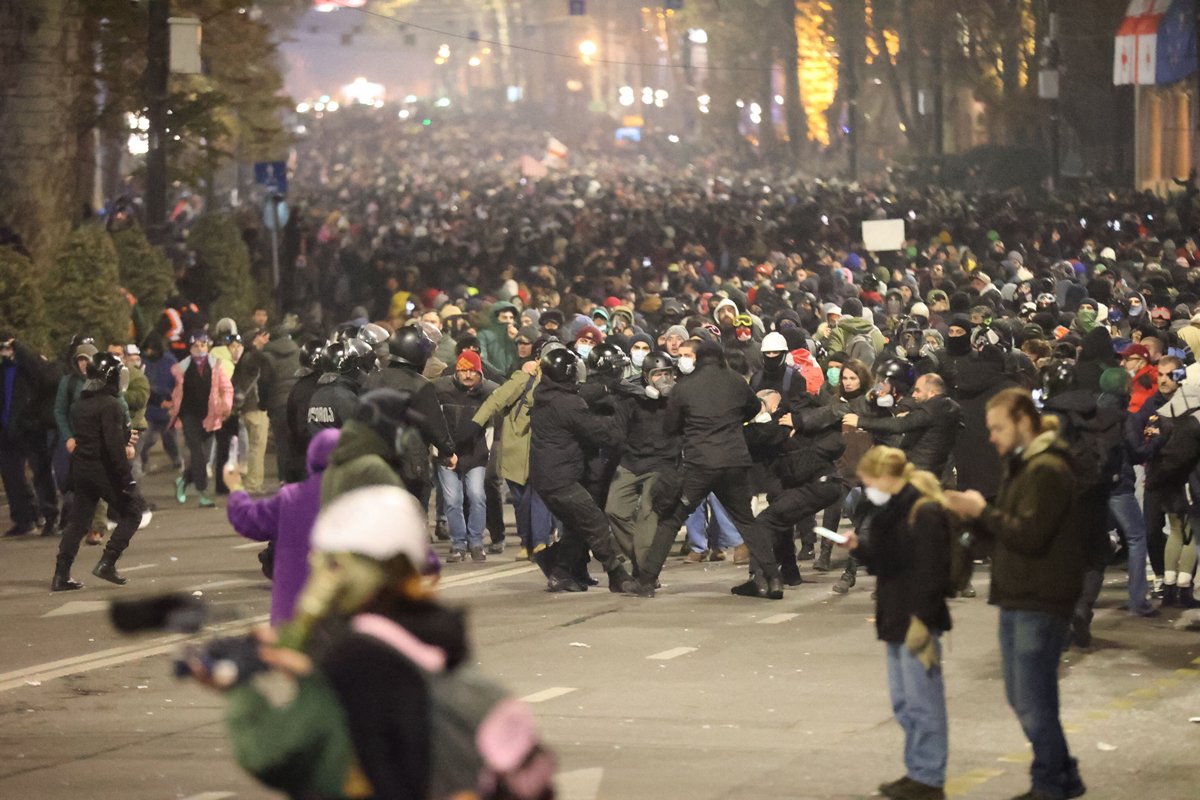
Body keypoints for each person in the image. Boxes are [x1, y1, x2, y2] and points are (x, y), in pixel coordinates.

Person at [945, 389, 1086, 800]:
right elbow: (1011, 530)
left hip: (1042, 596)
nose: (992, 437)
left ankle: (1051, 784)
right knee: (1023, 695)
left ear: (1024, 421)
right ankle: (1061, 775)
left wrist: (980, 511)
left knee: (1032, 699)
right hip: (1020, 593)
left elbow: (1029, 533)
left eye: (998, 428)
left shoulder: (1048, 469)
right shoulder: (1024, 465)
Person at [842, 446, 953, 800]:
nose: (866, 488)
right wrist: (860, 548)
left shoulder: (923, 511)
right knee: (905, 702)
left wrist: (922, 617)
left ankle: (929, 777)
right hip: (895, 615)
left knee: (924, 702)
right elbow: (888, 561)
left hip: (916, 618)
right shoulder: (893, 509)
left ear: (886, 477)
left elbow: (933, 571)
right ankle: (917, 770)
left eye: (868, 480)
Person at [633, 339, 783, 599]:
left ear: (698, 359)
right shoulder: (736, 381)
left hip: (699, 464)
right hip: (734, 461)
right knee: (746, 521)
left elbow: (670, 426)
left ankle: (646, 580)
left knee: (672, 520)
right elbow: (753, 408)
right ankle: (773, 578)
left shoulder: (685, 387)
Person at [528, 345, 637, 593]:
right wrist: (619, 420)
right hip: (561, 478)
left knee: (578, 526)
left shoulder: (545, 395)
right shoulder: (567, 404)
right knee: (596, 523)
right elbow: (600, 434)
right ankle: (617, 574)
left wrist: (605, 389)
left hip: (546, 477)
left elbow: (584, 392)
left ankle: (560, 570)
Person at [225, 429, 340, 626]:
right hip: (340, 620)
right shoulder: (360, 498)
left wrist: (235, 487)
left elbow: (247, 519)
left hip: (290, 619)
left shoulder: (292, 498)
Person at [52, 352, 147, 591]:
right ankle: (108, 561)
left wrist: (123, 435)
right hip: (102, 469)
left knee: (78, 522)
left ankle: (61, 574)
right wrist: (126, 479)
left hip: (82, 470)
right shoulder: (111, 405)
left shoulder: (79, 405)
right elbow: (112, 447)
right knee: (133, 511)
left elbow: (93, 437)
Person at [434, 350, 496, 562]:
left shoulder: (488, 393)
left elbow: (489, 430)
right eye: (463, 370)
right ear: (456, 372)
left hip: (476, 455)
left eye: (473, 371)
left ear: (480, 373)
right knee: (453, 500)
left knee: (477, 496)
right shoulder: (441, 391)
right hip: (446, 454)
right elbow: (436, 427)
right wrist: (442, 452)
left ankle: (476, 543)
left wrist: (482, 455)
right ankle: (458, 544)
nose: (468, 375)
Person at [0, 332, 60, 537]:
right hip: (7, 430)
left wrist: (19, 347)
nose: (5, 352)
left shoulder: (29, 366)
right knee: (12, 476)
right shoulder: (3, 370)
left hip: (31, 428)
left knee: (40, 473)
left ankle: (50, 515)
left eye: (8, 348)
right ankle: (25, 518)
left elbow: (42, 373)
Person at [170, 333, 233, 508]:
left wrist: (226, 406)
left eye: (203, 345)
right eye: (196, 345)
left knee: (204, 457)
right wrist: (173, 405)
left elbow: (227, 388)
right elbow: (175, 390)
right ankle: (203, 493)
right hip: (188, 415)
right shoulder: (181, 368)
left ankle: (183, 480)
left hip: (210, 416)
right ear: (190, 348)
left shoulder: (216, 366)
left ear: (208, 347)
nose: (200, 348)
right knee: (197, 453)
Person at [235, 327, 272, 494]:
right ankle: (253, 484)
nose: (266, 340)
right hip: (255, 407)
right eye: (261, 337)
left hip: (246, 408)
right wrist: (257, 346)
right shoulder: (252, 357)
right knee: (257, 447)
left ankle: (252, 482)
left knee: (253, 447)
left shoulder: (244, 357)